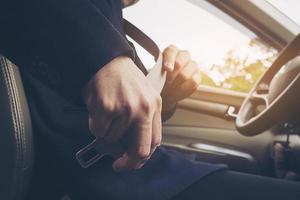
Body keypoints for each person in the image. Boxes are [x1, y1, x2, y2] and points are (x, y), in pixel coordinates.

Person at [0, 0, 299, 199]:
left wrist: (164, 97)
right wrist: (103, 59)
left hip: (135, 172)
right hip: (103, 180)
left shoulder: (109, 22)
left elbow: (107, 113)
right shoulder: (77, 18)